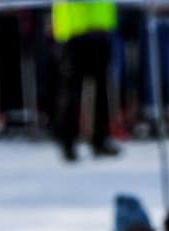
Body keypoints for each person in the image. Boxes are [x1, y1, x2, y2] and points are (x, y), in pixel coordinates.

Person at [50, 2, 119, 161]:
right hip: (74, 27)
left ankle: (99, 140)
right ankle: (67, 142)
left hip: (100, 26)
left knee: (101, 90)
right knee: (70, 92)